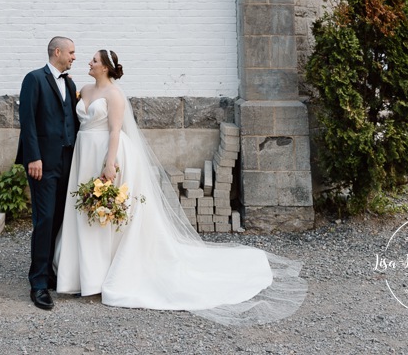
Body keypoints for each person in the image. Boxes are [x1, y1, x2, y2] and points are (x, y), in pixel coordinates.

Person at [54, 49, 274, 311]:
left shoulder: (114, 95)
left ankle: (105, 272)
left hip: (106, 153)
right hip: (84, 152)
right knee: (86, 208)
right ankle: (82, 272)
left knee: (110, 210)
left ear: (104, 68)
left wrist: (109, 163)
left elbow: (115, 130)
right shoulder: (85, 89)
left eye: (94, 60)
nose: (88, 62)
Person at [17, 36, 79, 310]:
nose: (74, 57)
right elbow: (28, 120)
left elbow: (71, 120)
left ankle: (51, 271)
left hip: (67, 160)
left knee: (58, 220)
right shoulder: (34, 79)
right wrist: (33, 157)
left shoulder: (71, 82)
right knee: (44, 220)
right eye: (71, 52)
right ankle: (38, 283)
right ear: (58, 52)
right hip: (42, 162)